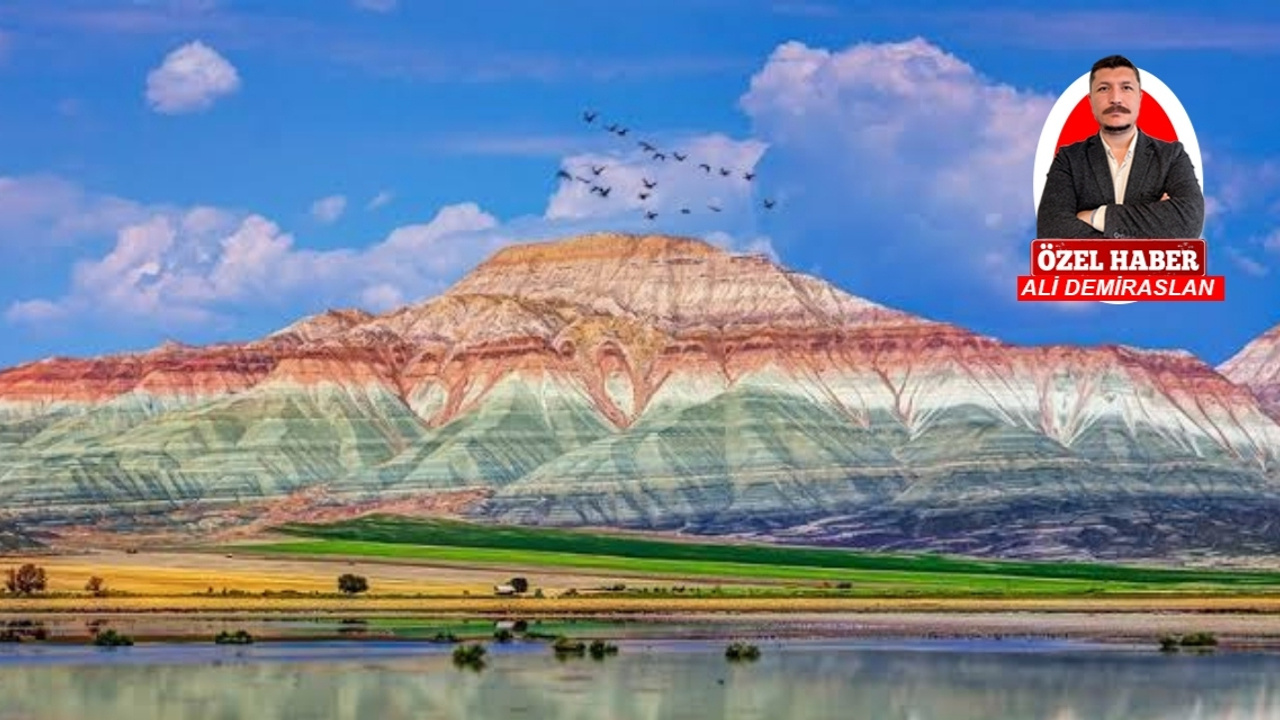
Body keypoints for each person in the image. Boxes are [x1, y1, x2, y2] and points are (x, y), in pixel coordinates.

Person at [1036, 55, 1204, 239]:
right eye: (1104, 89)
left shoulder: (1171, 156)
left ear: (1140, 98)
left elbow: (1189, 220)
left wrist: (1095, 216)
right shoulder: (1069, 159)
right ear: (1091, 101)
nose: (1115, 99)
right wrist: (1153, 223)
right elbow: (1051, 228)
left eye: (1126, 88)